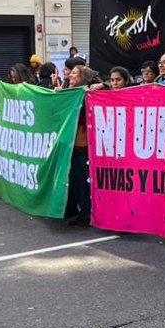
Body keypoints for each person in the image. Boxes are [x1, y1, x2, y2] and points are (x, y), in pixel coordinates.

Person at [61, 65, 105, 226]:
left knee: (83, 181)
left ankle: (86, 213)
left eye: (74, 74)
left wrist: (103, 85)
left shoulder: (90, 94)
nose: (70, 76)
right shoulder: (69, 92)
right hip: (73, 145)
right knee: (74, 179)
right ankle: (72, 209)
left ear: (83, 78)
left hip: (85, 145)